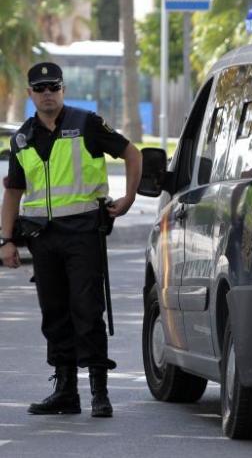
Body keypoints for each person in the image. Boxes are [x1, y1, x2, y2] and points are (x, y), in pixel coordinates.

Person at [0, 62, 142, 418]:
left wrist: (129, 198)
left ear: (63, 90)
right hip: (42, 238)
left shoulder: (86, 123)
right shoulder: (21, 138)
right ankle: (66, 391)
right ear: (30, 94)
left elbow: (132, 153)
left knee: (87, 310)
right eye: (40, 88)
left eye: (54, 86)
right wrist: (6, 240)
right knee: (55, 314)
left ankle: (99, 393)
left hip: (83, 234)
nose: (47, 93)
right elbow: (13, 192)